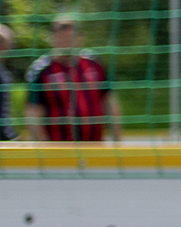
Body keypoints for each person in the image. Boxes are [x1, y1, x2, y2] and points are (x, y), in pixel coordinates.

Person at [24, 12, 122, 143]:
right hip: (58, 148)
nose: (66, 43)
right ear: (53, 38)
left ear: (80, 38)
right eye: (61, 38)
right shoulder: (41, 70)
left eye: (70, 38)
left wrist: (117, 140)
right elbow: (33, 111)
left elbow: (109, 101)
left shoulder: (94, 64)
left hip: (94, 145)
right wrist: (42, 145)